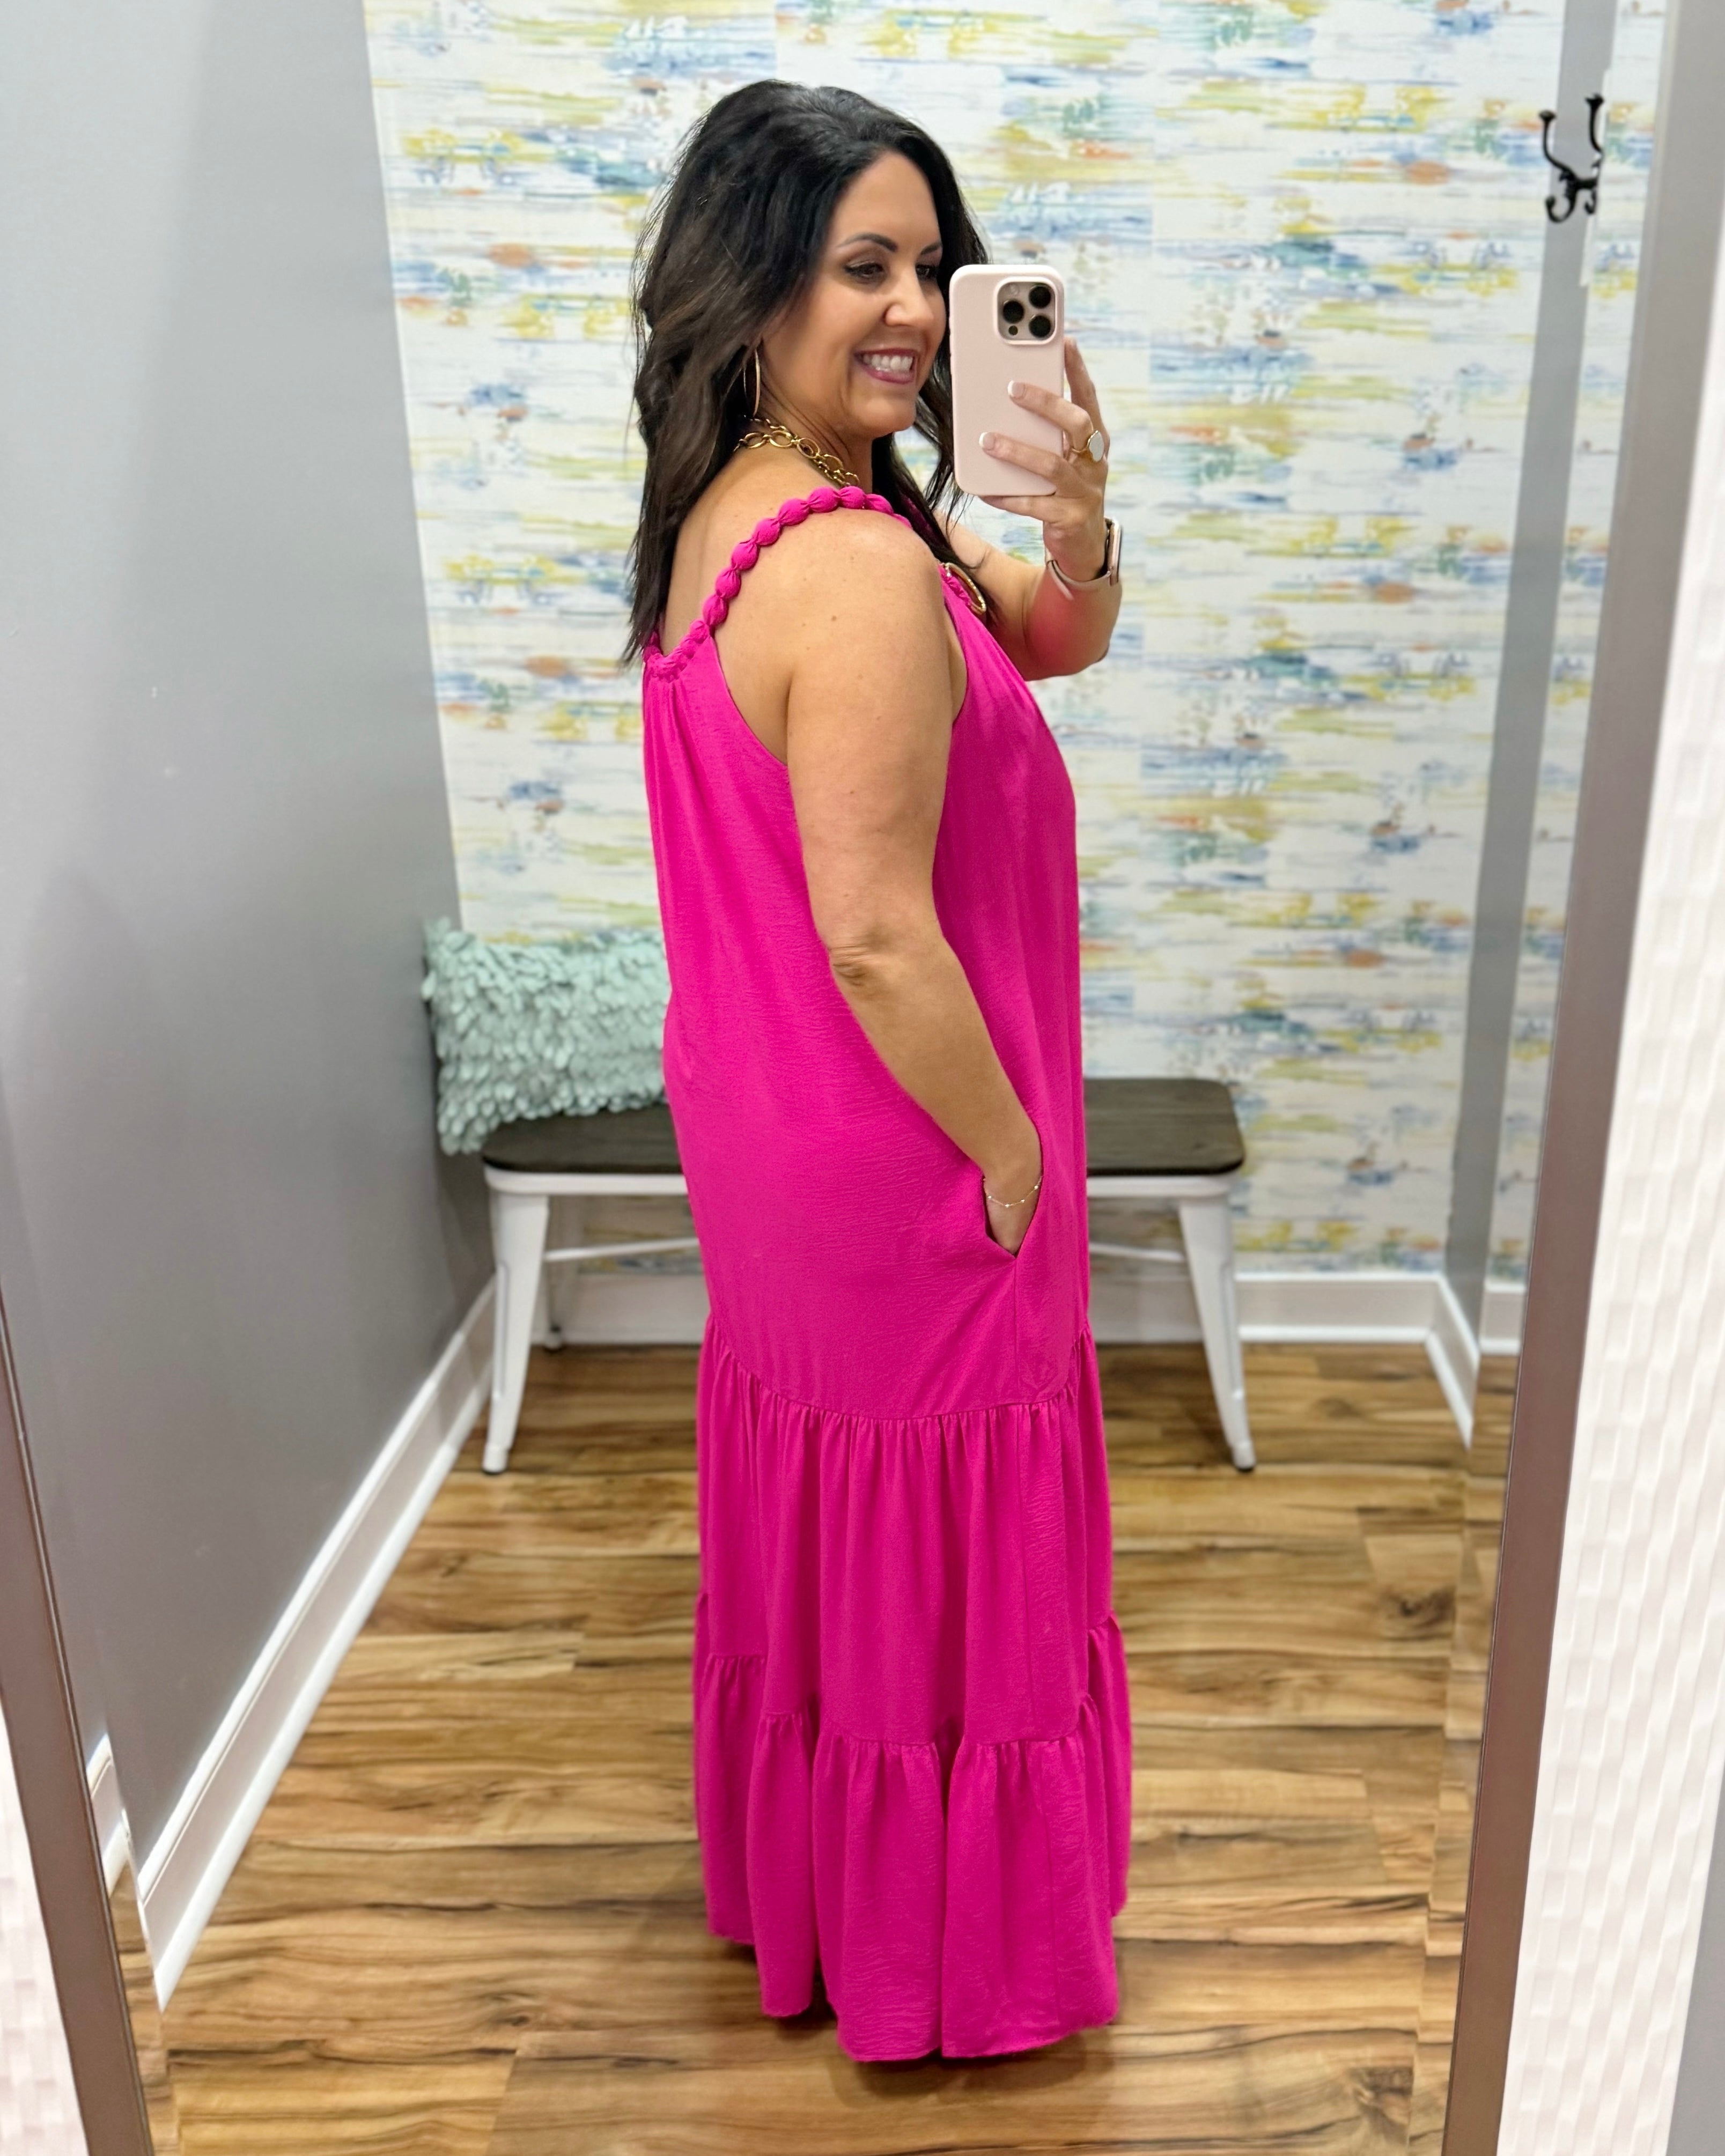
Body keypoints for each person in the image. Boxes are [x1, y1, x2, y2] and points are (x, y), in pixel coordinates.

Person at [626, 78, 1129, 2063]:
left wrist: (1078, 514)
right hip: (907, 1150)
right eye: (864, 265)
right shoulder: (844, 565)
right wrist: (1013, 1151)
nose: (917, 305)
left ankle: (833, 1904)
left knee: (840, 1536)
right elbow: (871, 929)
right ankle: (950, 1962)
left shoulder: (765, 521)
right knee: (943, 1545)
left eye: (932, 261)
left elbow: (1055, 628)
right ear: (754, 291)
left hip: (782, 1141)